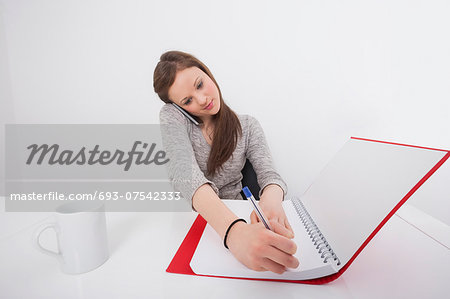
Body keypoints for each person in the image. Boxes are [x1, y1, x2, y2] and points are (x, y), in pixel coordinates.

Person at [153, 50, 299, 274]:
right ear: (178, 107)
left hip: (243, 218)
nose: (202, 100)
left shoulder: (248, 126)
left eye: (200, 84)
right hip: (203, 223)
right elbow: (184, 174)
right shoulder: (172, 117)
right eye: (187, 100)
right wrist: (234, 233)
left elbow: (270, 176)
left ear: (207, 73)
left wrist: (271, 199)